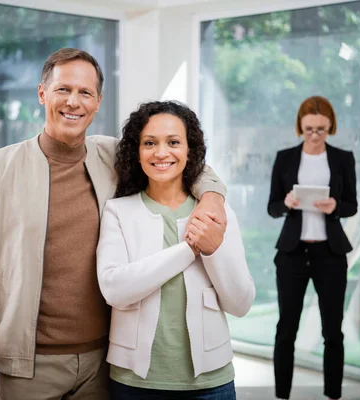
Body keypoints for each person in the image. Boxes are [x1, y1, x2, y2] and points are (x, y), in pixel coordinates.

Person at [0, 49, 228, 400]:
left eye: (85, 93)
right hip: (28, 364)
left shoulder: (112, 157)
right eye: (63, 89)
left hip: (103, 361)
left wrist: (212, 197)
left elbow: (183, 162)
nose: (73, 102)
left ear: (98, 101)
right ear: (42, 94)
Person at [96, 101, 256, 400]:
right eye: (149, 143)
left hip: (211, 384)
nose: (161, 152)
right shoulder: (118, 211)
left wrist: (213, 250)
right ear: (137, 151)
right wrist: (189, 249)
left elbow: (241, 303)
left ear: (189, 150)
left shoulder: (217, 213)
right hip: (135, 384)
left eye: (173, 142)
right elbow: (115, 289)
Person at [267, 96, 357, 400]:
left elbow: (352, 206)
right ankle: (282, 394)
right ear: (300, 127)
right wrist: (287, 203)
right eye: (309, 130)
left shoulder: (343, 159)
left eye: (321, 129)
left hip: (330, 255)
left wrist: (335, 206)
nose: (315, 135)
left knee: (333, 331)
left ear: (330, 125)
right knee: (286, 329)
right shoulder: (285, 158)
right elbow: (272, 206)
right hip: (293, 254)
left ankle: (333, 394)